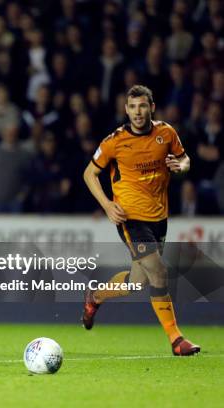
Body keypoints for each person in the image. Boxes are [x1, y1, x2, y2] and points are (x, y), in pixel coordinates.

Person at [81, 85, 200, 356]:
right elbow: (89, 174)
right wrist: (108, 205)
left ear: (152, 108)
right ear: (126, 110)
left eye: (143, 106)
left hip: (159, 217)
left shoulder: (166, 133)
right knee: (158, 272)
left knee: (137, 282)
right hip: (130, 218)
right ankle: (176, 339)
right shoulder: (115, 141)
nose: (138, 112)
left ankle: (95, 297)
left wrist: (181, 167)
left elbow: (185, 160)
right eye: (133, 107)